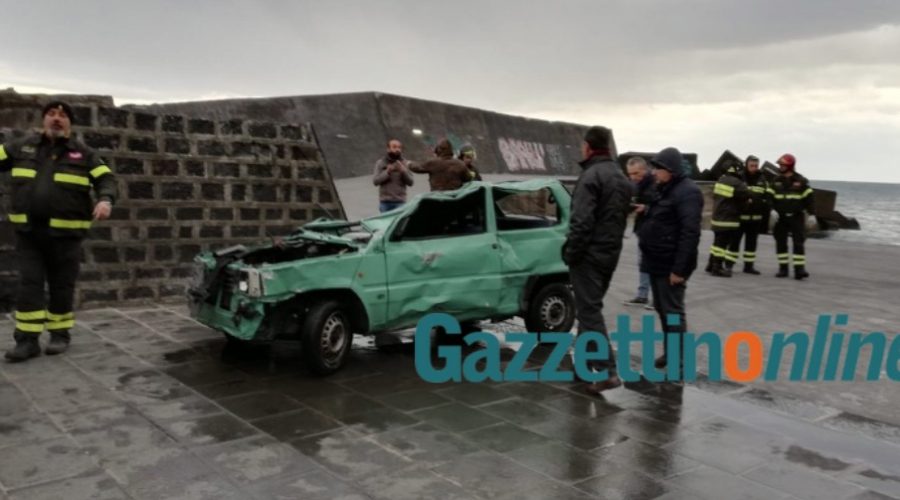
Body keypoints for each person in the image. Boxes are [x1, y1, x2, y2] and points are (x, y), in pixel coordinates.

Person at [0, 101, 117, 362]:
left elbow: (106, 179)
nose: (57, 119)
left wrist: (105, 200)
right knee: (29, 285)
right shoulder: (22, 147)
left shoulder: (83, 154)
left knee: (62, 286)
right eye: (51, 114)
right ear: (43, 120)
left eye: (63, 116)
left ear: (69, 124)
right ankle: (27, 341)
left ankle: (59, 334)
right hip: (30, 234)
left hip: (67, 236)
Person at [562, 126, 632, 393]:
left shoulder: (591, 176)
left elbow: (581, 222)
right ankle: (582, 368)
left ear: (588, 147)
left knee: (589, 311)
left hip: (588, 255)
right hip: (610, 253)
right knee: (588, 308)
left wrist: (571, 253)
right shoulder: (621, 177)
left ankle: (607, 371)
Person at [638, 147, 703, 377]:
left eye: (659, 168)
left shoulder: (688, 192)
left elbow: (690, 233)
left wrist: (679, 269)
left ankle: (679, 361)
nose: (654, 172)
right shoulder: (664, 189)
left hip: (670, 264)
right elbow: (663, 216)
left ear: (671, 170)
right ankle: (670, 353)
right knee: (662, 309)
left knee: (673, 312)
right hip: (656, 260)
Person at [768, 153, 814, 279]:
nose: (780, 167)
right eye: (780, 165)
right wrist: (772, 210)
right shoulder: (775, 181)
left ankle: (799, 270)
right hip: (780, 218)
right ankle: (783, 269)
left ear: (790, 165)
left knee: (798, 243)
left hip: (796, 217)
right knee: (781, 243)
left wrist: (812, 215)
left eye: (783, 165)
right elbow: (769, 197)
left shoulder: (801, 181)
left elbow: (809, 199)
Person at [705, 164, 749, 277]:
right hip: (728, 219)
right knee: (722, 245)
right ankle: (717, 268)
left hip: (717, 218)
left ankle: (711, 264)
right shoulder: (738, 183)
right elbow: (746, 196)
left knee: (716, 243)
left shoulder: (721, 180)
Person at [623, 156, 654, 307]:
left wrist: (647, 208)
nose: (633, 177)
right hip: (642, 228)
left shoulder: (656, 183)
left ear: (644, 169)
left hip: (656, 230)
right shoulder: (635, 184)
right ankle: (642, 296)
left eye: (635, 173)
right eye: (630, 174)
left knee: (655, 264)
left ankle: (659, 298)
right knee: (642, 262)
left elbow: (664, 206)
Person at [736, 155, 770, 274]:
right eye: (751, 165)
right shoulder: (739, 177)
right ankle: (729, 265)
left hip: (755, 218)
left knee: (751, 244)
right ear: (746, 165)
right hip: (740, 217)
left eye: (756, 166)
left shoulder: (762, 179)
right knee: (734, 243)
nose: (754, 168)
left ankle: (748, 266)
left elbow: (767, 196)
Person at [372, 139, 414, 212]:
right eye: (394, 147)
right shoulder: (380, 163)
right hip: (385, 202)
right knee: (386, 223)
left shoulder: (405, 163)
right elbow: (375, 181)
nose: (397, 149)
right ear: (388, 149)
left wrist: (403, 171)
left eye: (399, 147)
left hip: (400, 202)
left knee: (400, 223)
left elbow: (411, 182)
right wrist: (388, 171)